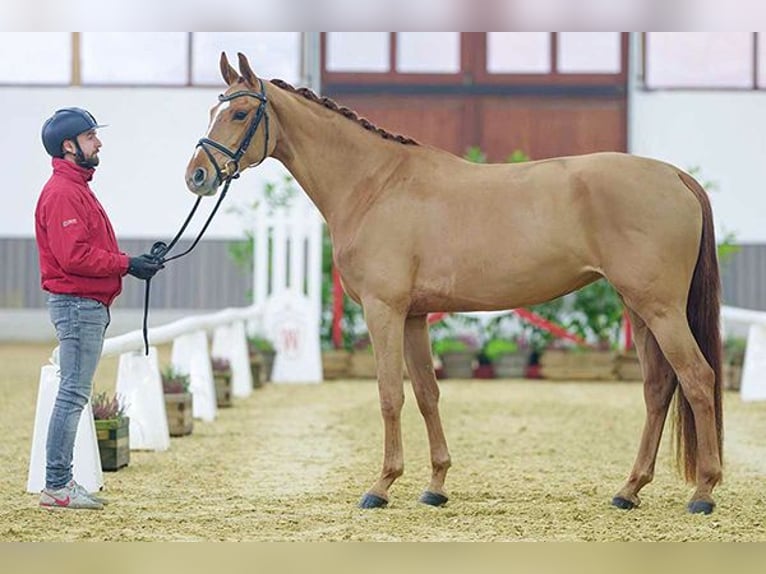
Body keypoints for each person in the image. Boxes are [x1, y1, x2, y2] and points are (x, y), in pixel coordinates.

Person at [35, 107, 163, 510]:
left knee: (75, 392)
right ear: (69, 146)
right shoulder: (63, 193)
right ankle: (56, 485)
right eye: (91, 137)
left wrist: (132, 263)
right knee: (72, 394)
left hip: (85, 305)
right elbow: (74, 257)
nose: (99, 143)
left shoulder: (76, 188)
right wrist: (127, 264)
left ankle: (59, 483)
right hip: (77, 305)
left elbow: (89, 250)